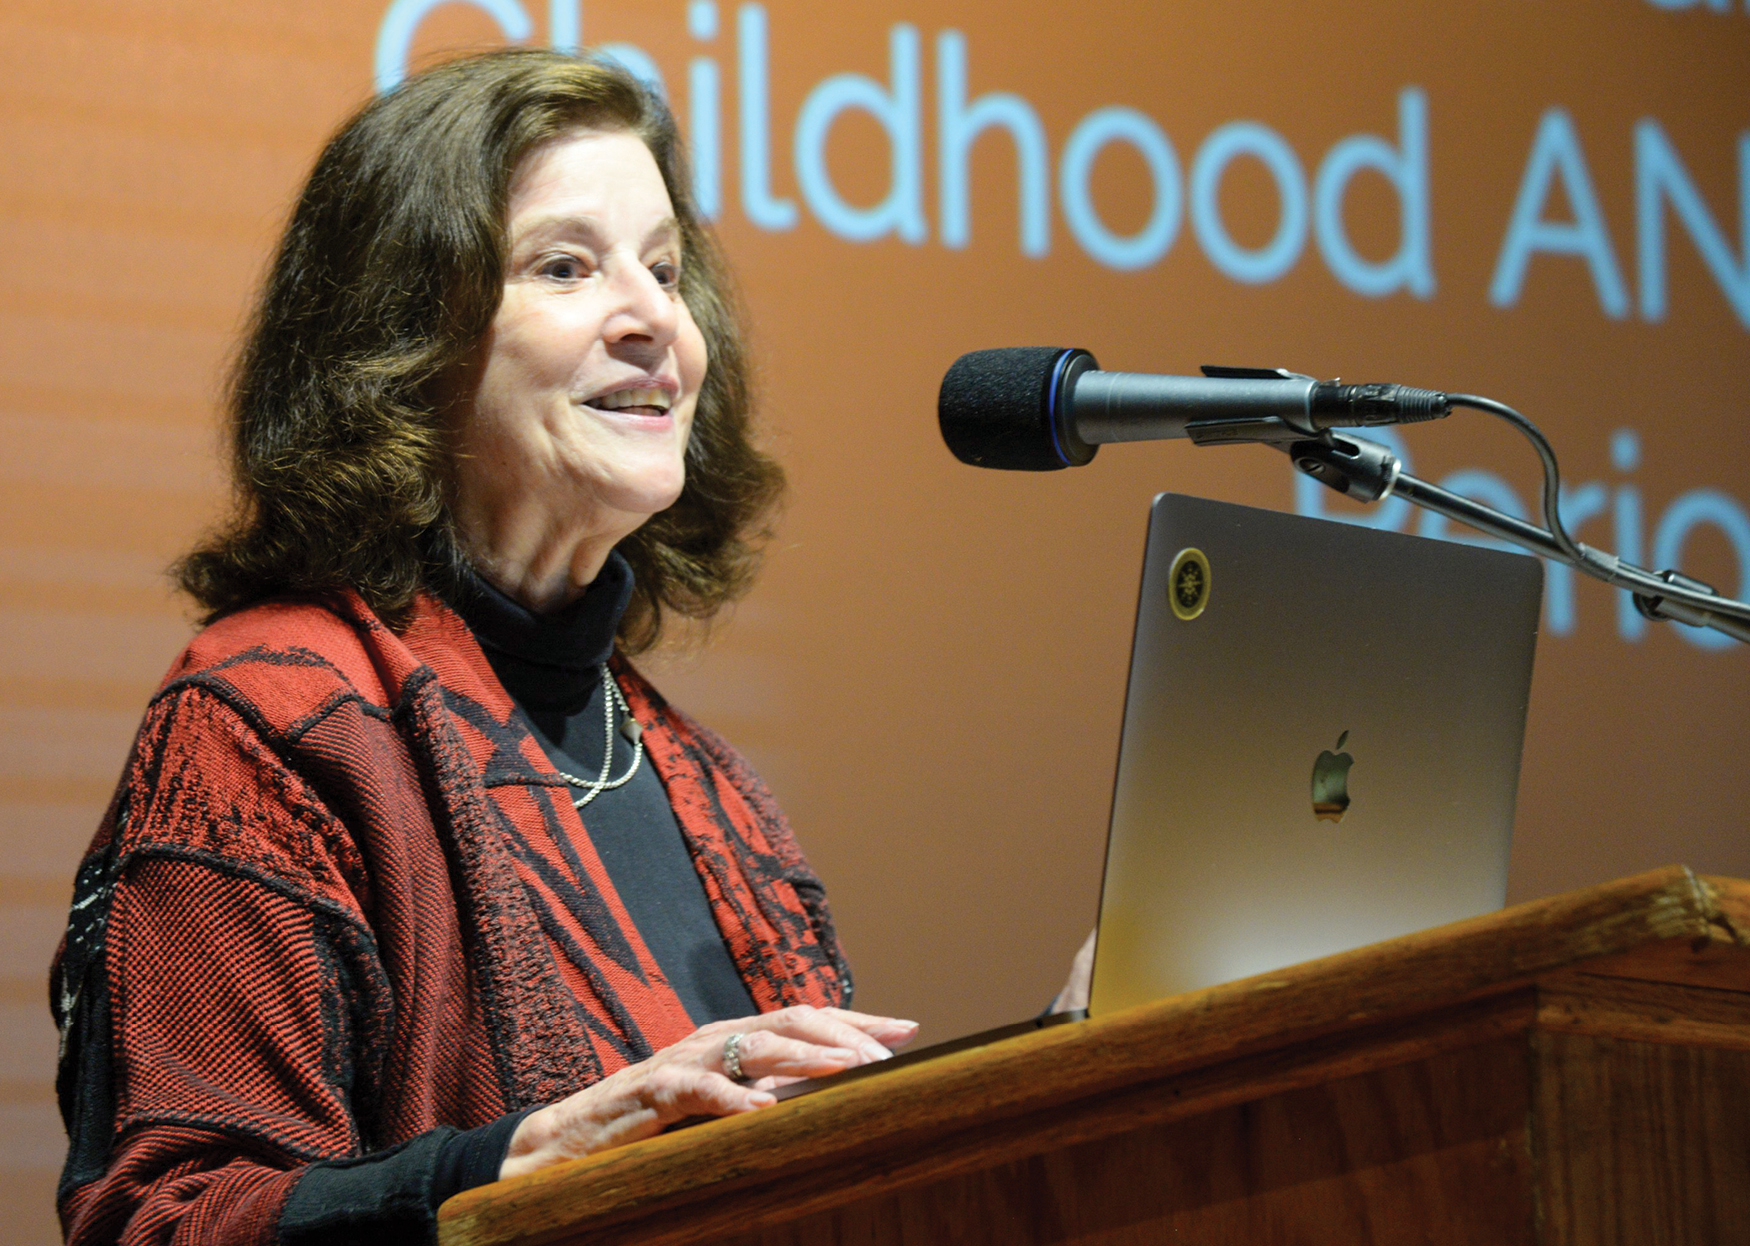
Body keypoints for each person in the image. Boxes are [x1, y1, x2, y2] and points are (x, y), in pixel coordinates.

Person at [50, 48, 918, 1245]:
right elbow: (167, 1217)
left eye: (665, 269)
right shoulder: (271, 721)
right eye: (566, 266)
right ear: (407, 337)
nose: (653, 316)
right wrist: (525, 1157)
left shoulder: (713, 788)